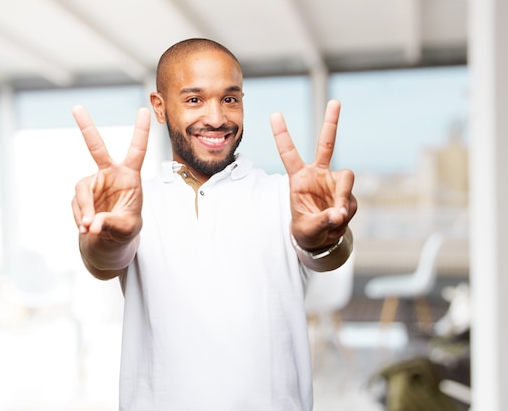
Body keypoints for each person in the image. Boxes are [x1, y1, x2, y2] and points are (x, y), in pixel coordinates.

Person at [71, 38, 357, 411]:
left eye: (230, 98)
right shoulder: (134, 203)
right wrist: (109, 236)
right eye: (194, 99)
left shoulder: (284, 195)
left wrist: (325, 238)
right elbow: (104, 261)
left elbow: (330, 254)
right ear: (159, 107)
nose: (218, 118)